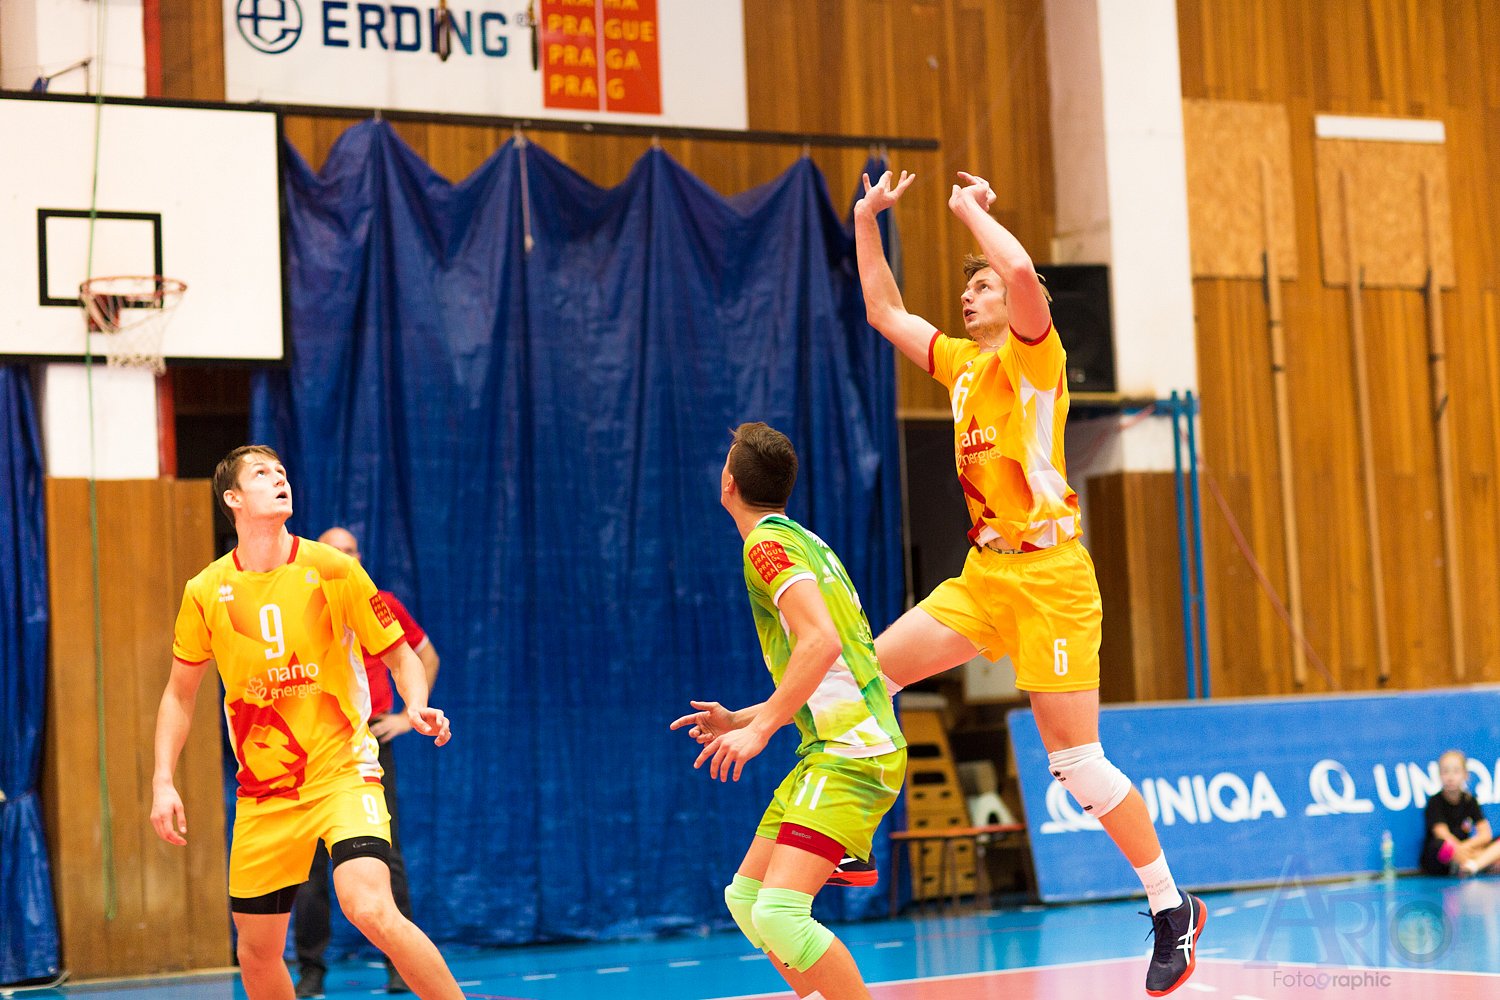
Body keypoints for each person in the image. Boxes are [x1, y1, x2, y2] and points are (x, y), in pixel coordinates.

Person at [854, 169, 1205, 996]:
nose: (968, 295)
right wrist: (868, 219)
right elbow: (884, 311)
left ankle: (1171, 906)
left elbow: (1017, 272)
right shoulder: (961, 368)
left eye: (980, 287)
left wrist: (972, 212)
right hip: (985, 575)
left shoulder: (1036, 360)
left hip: (1050, 579)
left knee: (1077, 764)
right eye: (967, 287)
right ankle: (850, 828)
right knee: (863, 674)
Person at [150, 445, 464, 1000]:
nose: (279, 479)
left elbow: (402, 655)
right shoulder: (205, 592)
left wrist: (414, 704)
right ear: (233, 498)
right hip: (265, 794)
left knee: (370, 907)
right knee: (257, 952)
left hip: (343, 775)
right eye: (262, 473)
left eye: (282, 471)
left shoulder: (334, 569)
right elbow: (179, 694)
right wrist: (162, 780)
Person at [671, 422, 907, 1000]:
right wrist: (741, 719)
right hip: (836, 745)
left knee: (779, 913)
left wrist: (760, 732)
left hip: (853, 754)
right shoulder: (803, 540)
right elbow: (833, 672)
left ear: (728, 483)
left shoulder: (766, 546)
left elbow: (820, 642)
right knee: (747, 899)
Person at [290, 526, 442, 997]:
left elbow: (422, 656)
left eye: (351, 550)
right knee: (309, 863)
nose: (344, 558)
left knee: (384, 854)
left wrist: (407, 713)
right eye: (334, 551)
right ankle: (311, 969)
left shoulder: (381, 603)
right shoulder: (297, 606)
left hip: (367, 745)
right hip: (312, 746)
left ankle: (399, 964)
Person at [1421, 749, 1494, 876]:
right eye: (1445, 771)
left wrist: (1466, 847)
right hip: (1442, 858)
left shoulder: (1470, 800)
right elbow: (1442, 834)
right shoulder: (1435, 802)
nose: (1450, 777)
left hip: (1464, 849)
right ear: (1439, 775)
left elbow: (1485, 834)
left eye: (1456, 771)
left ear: (1466, 775)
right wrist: (1466, 851)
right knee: (1441, 845)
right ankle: (1481, 863)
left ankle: (1472, 866)